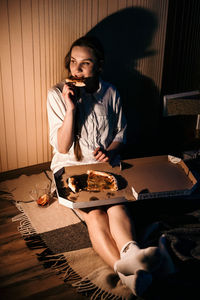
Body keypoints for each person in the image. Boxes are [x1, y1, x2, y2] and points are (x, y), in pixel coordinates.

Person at [47, 35, 174, 296]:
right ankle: (127, 271)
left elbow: (120, 133)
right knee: (95, 214)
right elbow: (62, 147)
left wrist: (109, 151)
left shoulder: (111, 92)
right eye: (73, 62)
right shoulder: (56, 95)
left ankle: (131, 257)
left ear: (99, 66)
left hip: (103, 168)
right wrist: (71, 108)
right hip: (70, 169)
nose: (76, 69)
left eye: (85, 63)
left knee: (116, 204)